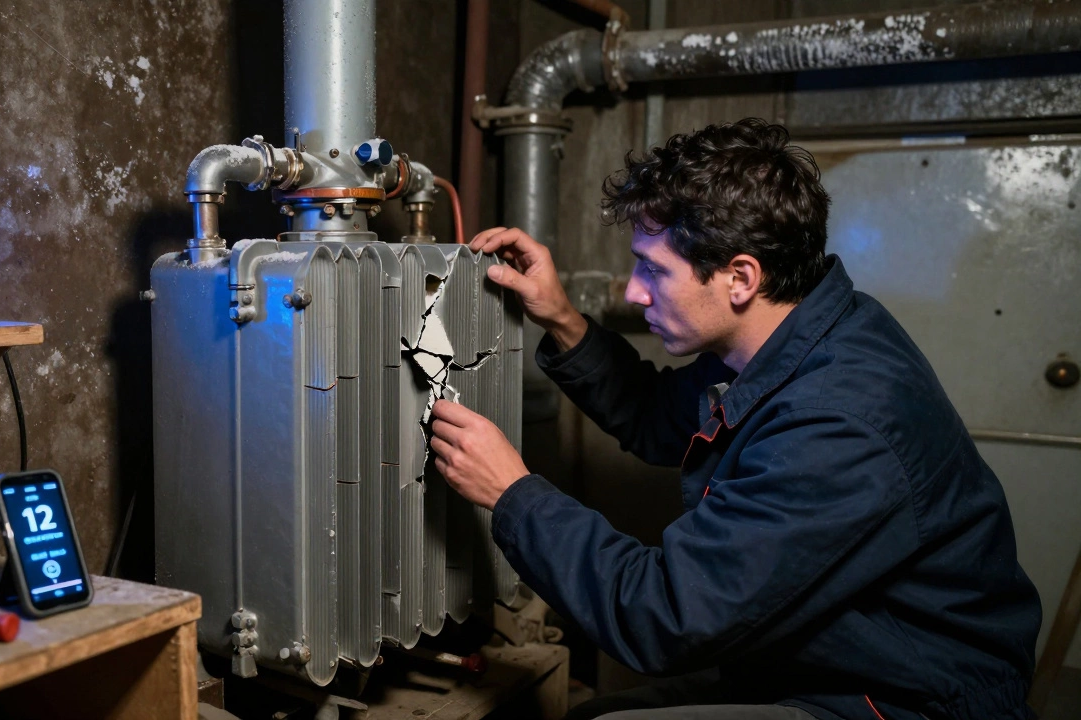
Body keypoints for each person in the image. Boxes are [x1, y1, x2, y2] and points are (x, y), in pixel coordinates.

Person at [428, 118, 1041, 720]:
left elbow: (664, 616)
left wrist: (513, 494)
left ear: (741, 277)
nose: (636, 294)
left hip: (903, 698)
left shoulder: (836, 424)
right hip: (816, 662)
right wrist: (562, 318)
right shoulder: (797, 335)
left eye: (654, 269)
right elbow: (656, 418)